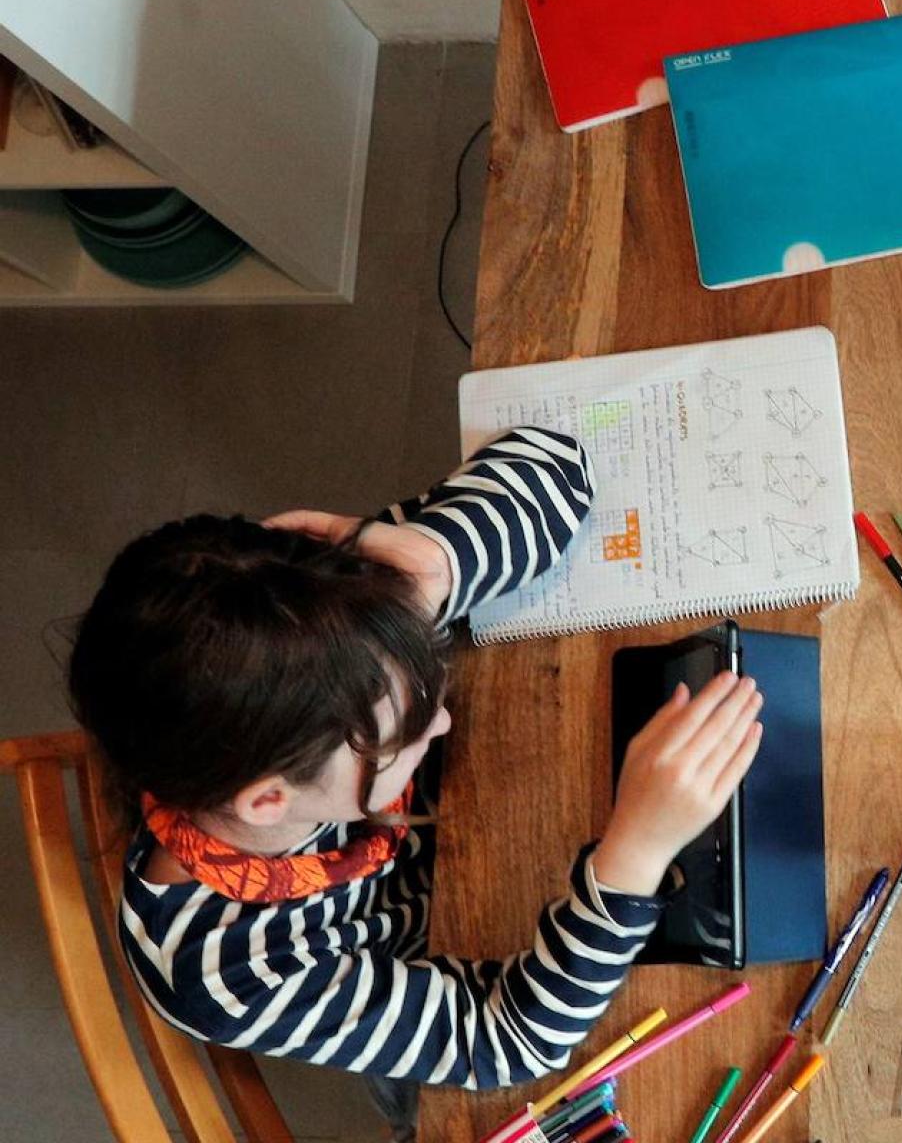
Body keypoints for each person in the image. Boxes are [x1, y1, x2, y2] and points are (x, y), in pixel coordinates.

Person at [67, 427, 763, 1140]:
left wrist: (435, 562)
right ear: (269, 800)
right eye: (405, 733)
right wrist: (634, 857)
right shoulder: (229, 973)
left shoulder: (319, 623)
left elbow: (556, 461)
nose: (441, 723)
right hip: (426, 1012)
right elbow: (504, 1039)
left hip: (457, 845)